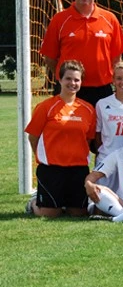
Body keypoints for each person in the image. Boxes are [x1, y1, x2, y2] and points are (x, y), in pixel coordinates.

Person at [39, 0, 123, 107]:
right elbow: (50, 58)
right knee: (66, 128)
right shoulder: (59, 20)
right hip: (69, 89)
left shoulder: (109, 19)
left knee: (101, 129)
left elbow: (116, 58)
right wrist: (66, 76)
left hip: (101, 91)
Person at [24, 60, 96, 217]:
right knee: (50, 214)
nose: (72, 83)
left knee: (78, 213)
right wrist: (44, 156)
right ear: (60, 80)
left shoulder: (88, 109)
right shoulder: (46, 106)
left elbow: (88, 140)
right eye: (68, 78)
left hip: (78, 169)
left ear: (81, 82)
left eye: (77, 80)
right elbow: (33, 137)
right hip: (52, 168)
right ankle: (33, 203)